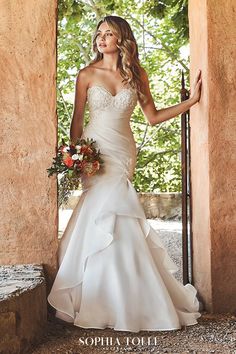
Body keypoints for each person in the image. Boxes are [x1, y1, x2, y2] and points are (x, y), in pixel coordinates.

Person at [47, 15, 202, 333]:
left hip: (121, 151)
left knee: (119, 211)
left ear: (122, 39)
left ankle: (132, 297)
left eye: (109, 33)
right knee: (102, 210)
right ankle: (102, 295)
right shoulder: (86, 74)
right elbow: (77, 119)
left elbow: (154, 117)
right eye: (99, 33)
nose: (101, 38)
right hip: (95, 151)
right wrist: (74, 155)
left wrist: (191, 101)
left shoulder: (136, 74)